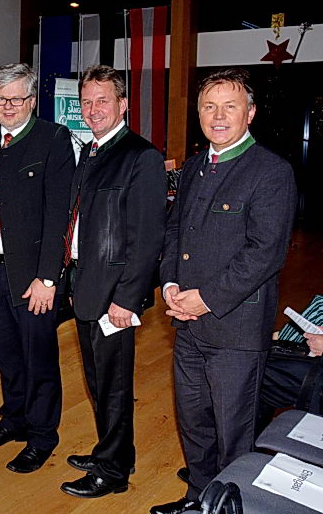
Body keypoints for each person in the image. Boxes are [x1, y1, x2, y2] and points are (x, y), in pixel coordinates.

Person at [152, 68, 297, 514]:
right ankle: (199, 499)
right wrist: (170, 283)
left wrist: (206, 299)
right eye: (209, 107)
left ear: (249, 113)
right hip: (187, 323)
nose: (218, 116)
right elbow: (174, 231)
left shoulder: (271, 172)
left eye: (229, 106)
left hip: (235, 330)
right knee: (194, 422)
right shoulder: (195, 167)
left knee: (234, 432)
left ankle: (232, 507)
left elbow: (265, 253)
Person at [59, 65, 166, 498]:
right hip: (87, 288)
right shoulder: (90, 151)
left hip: (115, 297)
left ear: (123, 104)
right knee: (98, 381)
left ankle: (112, 472)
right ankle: (115, 451)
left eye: (102, 100)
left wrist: (128, 299)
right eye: (86, 102)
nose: (93, 109)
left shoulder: (141, 156)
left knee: (115, 385)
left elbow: (147, 238)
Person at [0, 62, 74, 474]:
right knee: (5, 353)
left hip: (33, 277)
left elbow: (59, 214)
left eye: (16, 99)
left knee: (38, 358)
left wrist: (48, 278)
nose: (7, 107)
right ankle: (14, 420)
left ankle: (42, 436)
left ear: (31, 100)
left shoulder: (53, 138)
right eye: (0, 99)